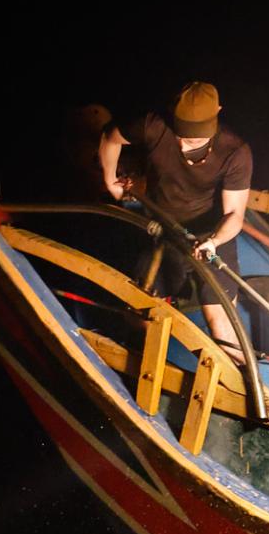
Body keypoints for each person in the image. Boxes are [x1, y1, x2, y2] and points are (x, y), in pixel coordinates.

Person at [99, 81, 253, 355]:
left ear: (217, 113)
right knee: (139, 315)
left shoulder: (235, 151)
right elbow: (111, 137)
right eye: (181, 136)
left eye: (194, 140)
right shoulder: (153, 125)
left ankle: (249, 390)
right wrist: (110, 181)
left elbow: (235, 214)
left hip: (210, 235)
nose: (183, 147)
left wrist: (214, 242)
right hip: (162, 231)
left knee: (221, 325)